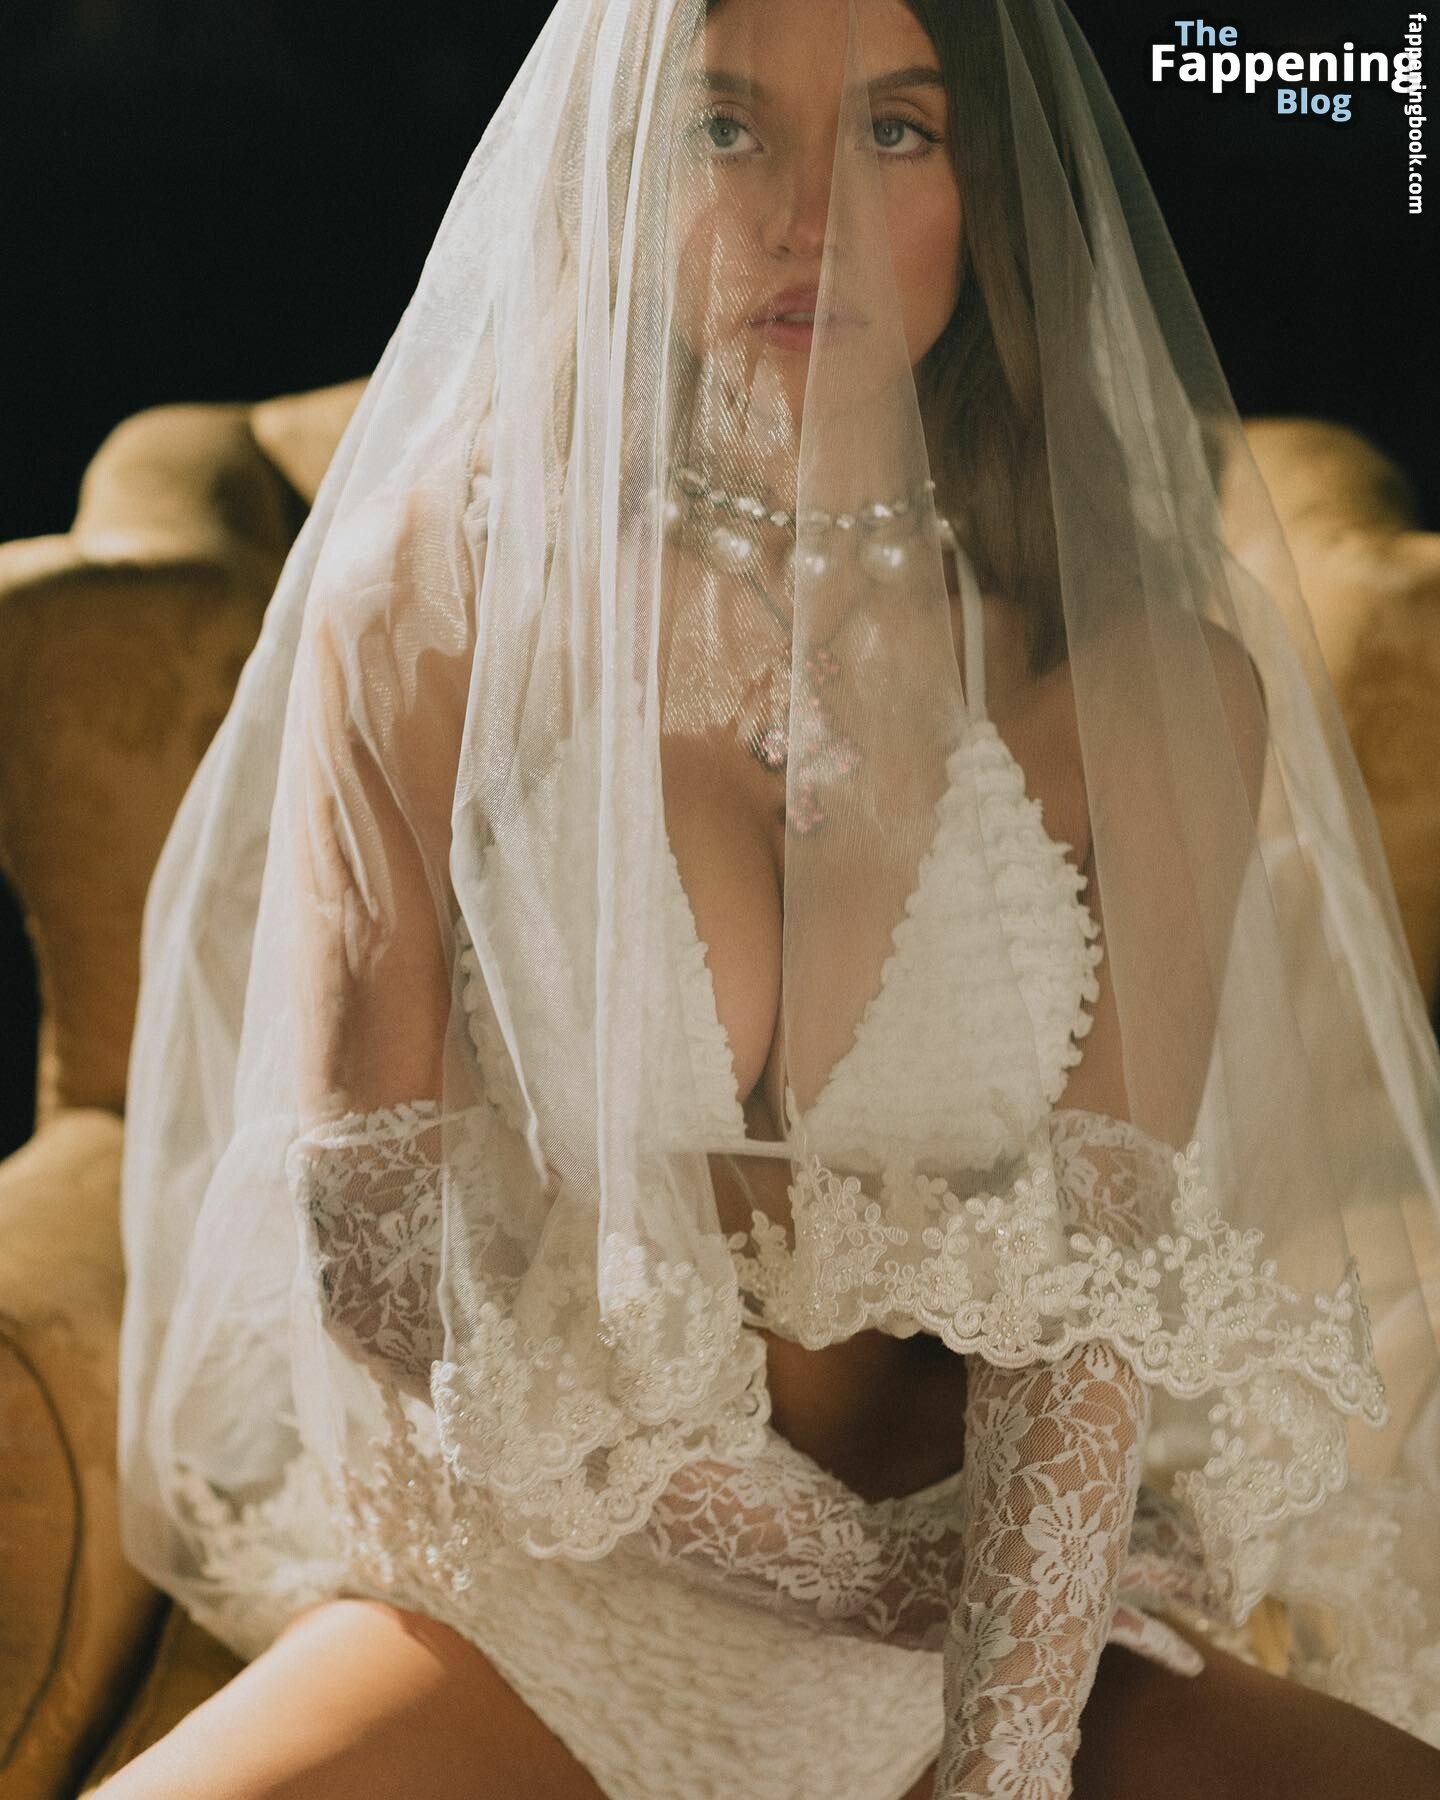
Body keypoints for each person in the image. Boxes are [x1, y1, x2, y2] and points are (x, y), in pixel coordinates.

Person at [107, 0, 1440, 1794]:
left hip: (1006, 1605)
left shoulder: (1147, 681)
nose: (813, 215)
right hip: (546, 1600)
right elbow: (377, 1247)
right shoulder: (430, 602)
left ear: (985, 188)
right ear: (616, 170)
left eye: (897, 129)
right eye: (727, 129)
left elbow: (1092, 1299)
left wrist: (1003, 1744)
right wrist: (829, 1567)